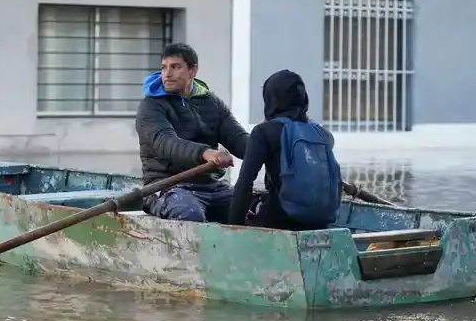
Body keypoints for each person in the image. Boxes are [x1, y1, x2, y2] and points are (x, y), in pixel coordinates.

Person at [135, 42, 249, 222]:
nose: (167, 74)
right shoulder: (150, 106)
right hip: (166, 187)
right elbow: (166, 143)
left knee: (253, 212)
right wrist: (205, 153)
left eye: (175, 67)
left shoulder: (211, 102)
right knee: (189, 215)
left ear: (192, 71)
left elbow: (237, 138)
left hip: (211, 186)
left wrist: (268, 147)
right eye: (164, 67)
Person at [228, 69, 342, 230]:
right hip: (321, 222)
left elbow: (244, 185)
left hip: (280, 222)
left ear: (270, 98)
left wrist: (232, 228)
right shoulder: (322, 134)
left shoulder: (264, 132)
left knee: (252, 208)